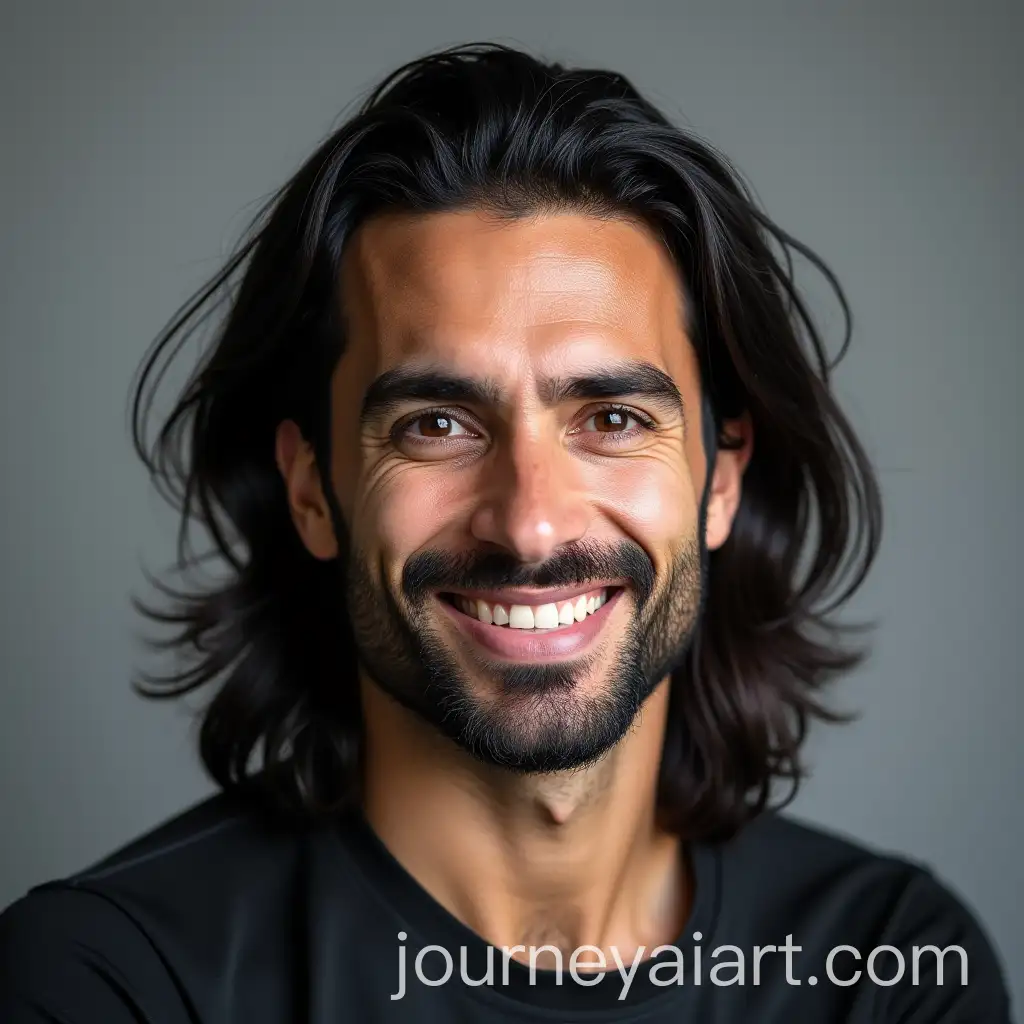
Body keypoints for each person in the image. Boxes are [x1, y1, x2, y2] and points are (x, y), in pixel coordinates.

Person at [0, 42, 1011, 1023]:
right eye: (435, 425)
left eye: (611, 420)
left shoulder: (883, 971)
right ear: (312, 489)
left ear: (720, 478)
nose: (530, 521)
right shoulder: (111, 983)